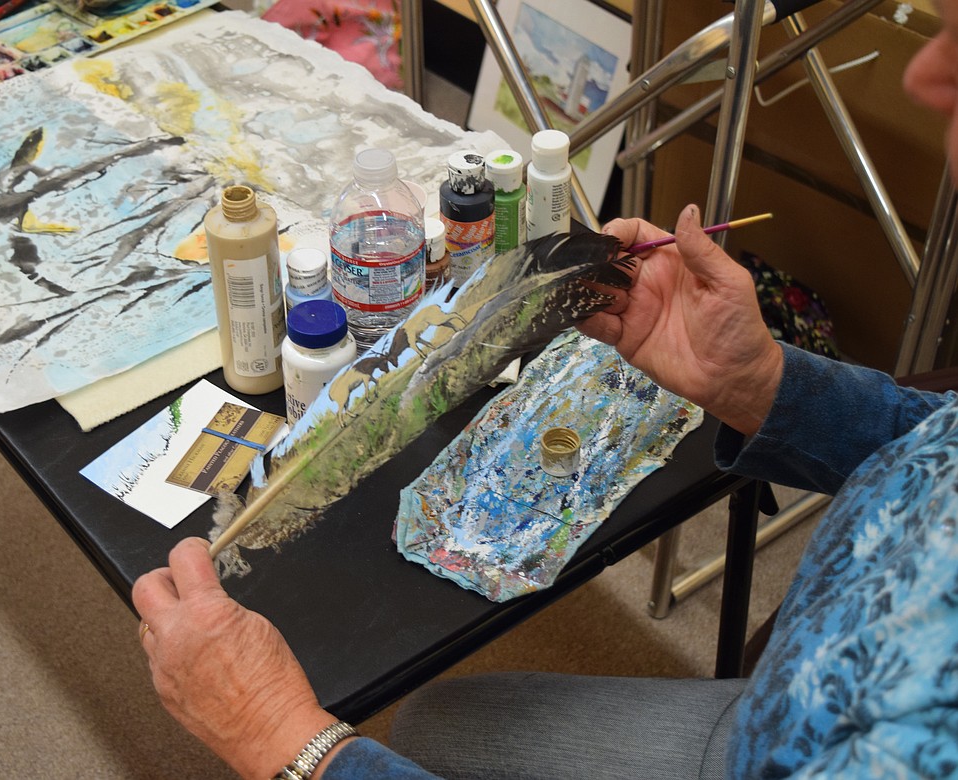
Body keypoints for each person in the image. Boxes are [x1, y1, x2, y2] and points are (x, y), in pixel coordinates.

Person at [132, 3, 958, 777]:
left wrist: (286, 739)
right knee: (437, 724)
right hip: (792, 695)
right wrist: (762, 383)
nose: (926, 76)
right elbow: (937, 442)